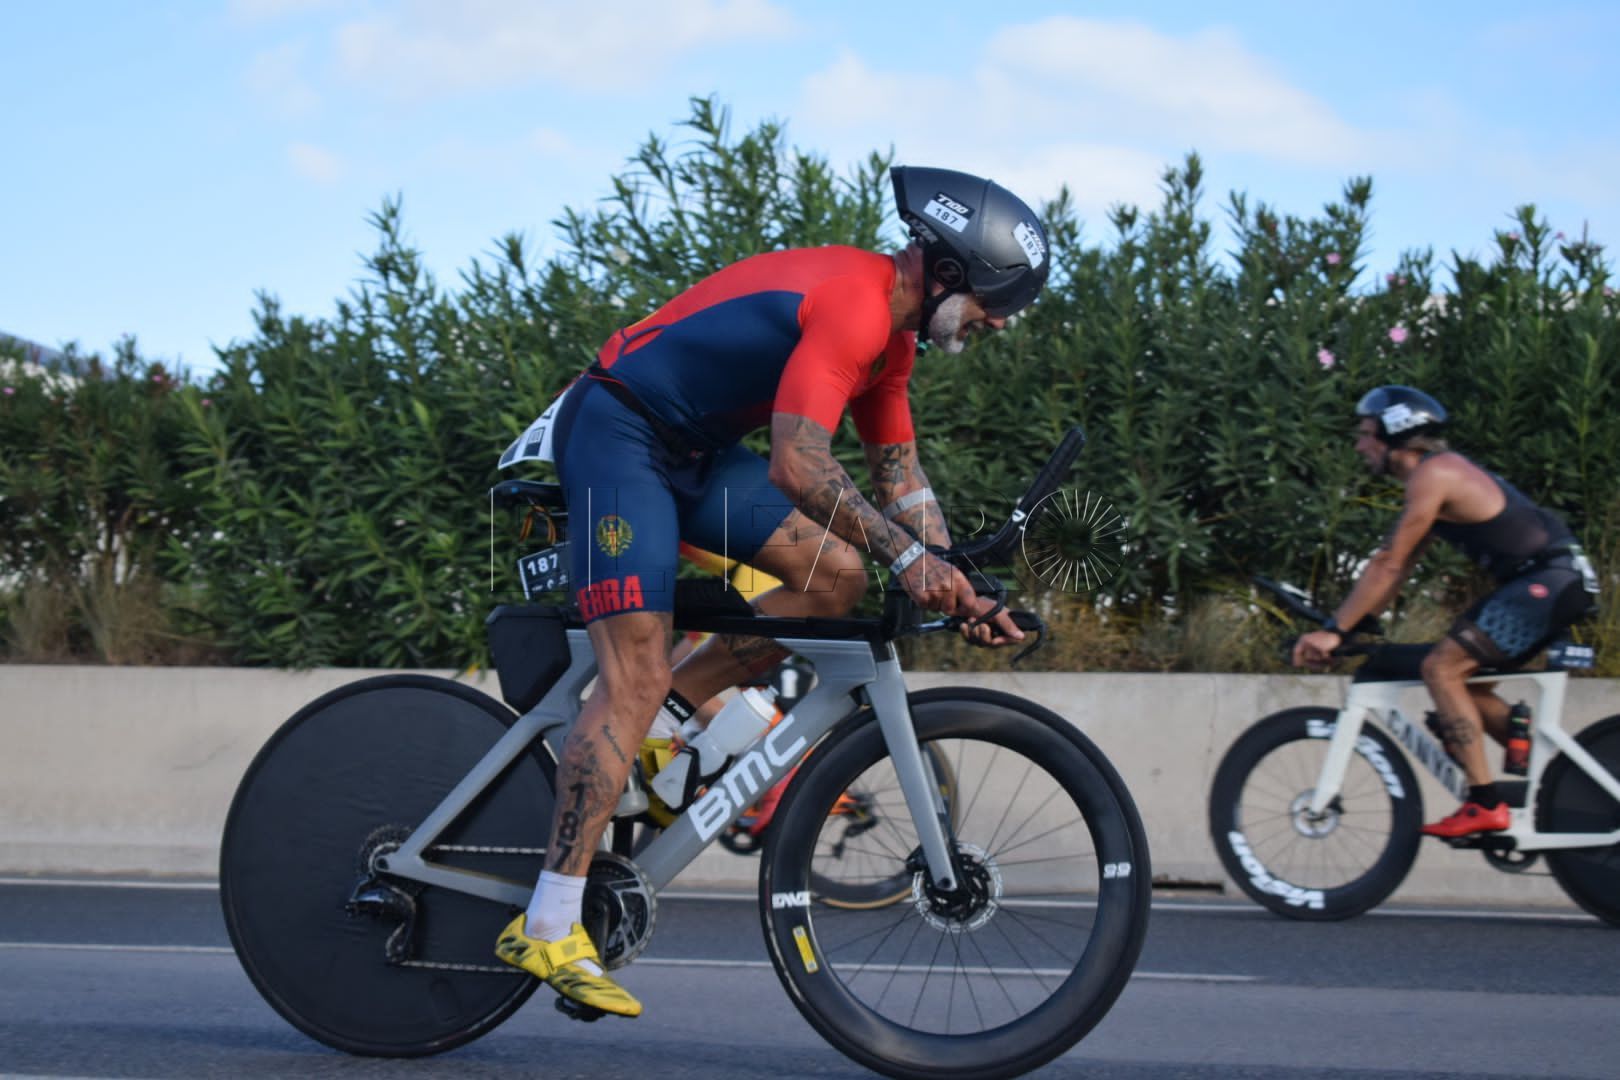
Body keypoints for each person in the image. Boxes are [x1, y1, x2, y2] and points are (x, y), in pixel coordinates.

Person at [492, 166, 1051, 1017]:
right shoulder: (856, 303)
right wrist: (912, 559)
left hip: (694, 454)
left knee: (836, 578)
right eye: (995, 299)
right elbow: (797, 464)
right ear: (947, 270)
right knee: (632, 673)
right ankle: (547, 920)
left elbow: (901, 482)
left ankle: (668, 722)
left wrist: (962, 583)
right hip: (616, 433)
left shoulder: (893, 347)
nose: (1000, 321)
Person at [1293, 386, 1599, 838]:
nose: (1359, 446)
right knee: (1466, 684)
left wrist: (1334, 630)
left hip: (1545, 583)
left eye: (1366, 434)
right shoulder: (1436, 479)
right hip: (1550, 583)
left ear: (1396, 433)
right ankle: (1548, 766)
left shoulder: (1435, 474)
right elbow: (1398, 570)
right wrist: (1352, 626)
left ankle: (1485, 804)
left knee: (1441, 668)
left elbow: (1387, 562)